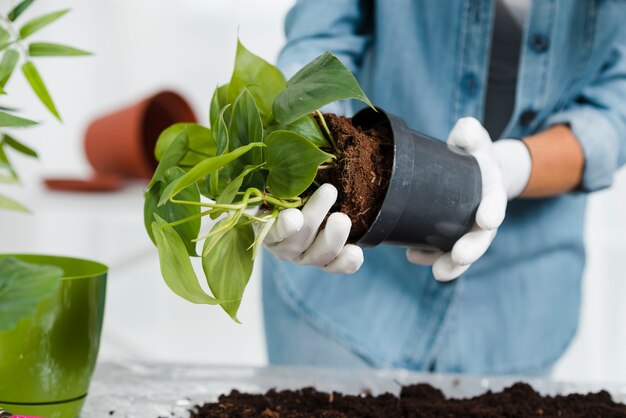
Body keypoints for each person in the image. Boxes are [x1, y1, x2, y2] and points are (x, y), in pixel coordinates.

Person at [262, 0, 626, 375]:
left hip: (517, 309)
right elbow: (322, 34)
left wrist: (511, 167)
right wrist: (299, 142)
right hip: (349, 295)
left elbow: (618, 105)